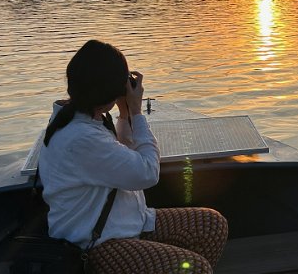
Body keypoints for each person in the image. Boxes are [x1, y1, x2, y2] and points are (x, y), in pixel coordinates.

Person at [39, 39, 228, 274]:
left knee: (210, 225)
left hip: (128, 222)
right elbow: (147, 173)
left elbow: (123, 153)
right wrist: (137, 113)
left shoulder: (85, 117)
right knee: (195, 269)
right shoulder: (81, 137)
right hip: (96, 242)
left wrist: (124, 112)